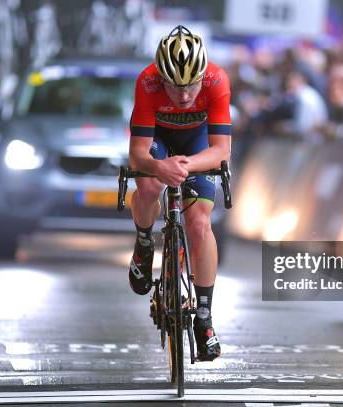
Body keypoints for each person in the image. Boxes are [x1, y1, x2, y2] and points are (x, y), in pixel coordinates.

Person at [127, 25, 231, 361]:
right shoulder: (147, 82)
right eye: (175, 86)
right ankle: (144, 242)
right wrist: (160, 167)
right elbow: (138, 154)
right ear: (161, 78)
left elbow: (221, 151)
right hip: (159, 139)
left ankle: (204, 316)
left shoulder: (217, 81)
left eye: (191, 85)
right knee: (147, 186)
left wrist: (184, 165)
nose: (184, 95)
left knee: (200, 223)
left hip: (196, 145)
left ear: (203, 74)